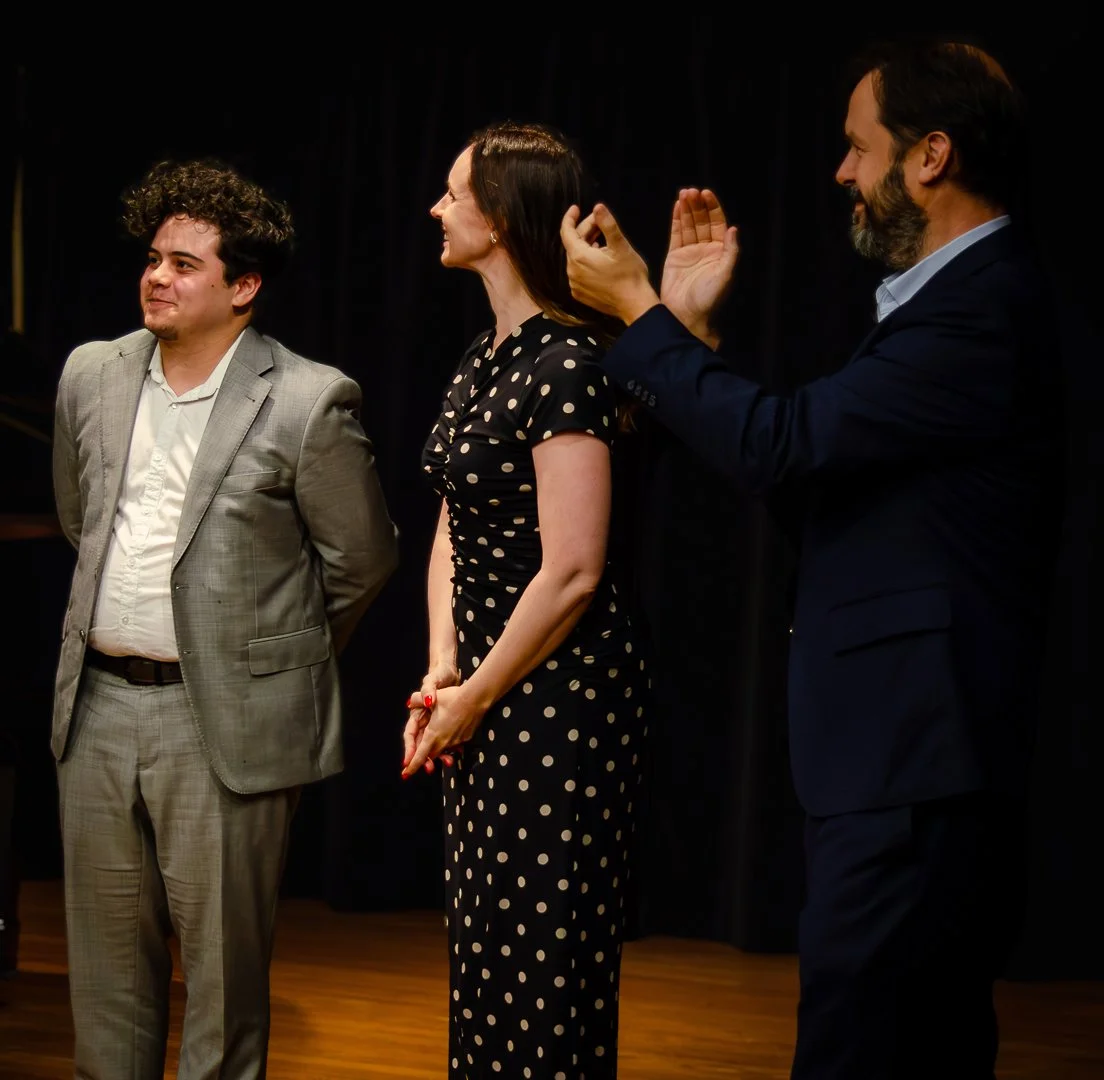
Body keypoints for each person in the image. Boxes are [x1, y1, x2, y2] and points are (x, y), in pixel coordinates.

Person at [559, 39, 1064, 1080]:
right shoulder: (954, 302)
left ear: (930, 156)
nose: (842, 171)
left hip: (918, 761)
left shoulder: (982, 306)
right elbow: (812, 481)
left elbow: (782, 444)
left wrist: (642, 312)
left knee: (865, 1046)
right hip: (907, 757)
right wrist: (688, 334)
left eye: (858, 147)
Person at [50, 157, 399, 1079]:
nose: (156, 277)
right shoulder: (92, 373)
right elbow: (81, 518)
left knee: (222, 983)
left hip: (222, 722)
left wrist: (264, 660)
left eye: (183, 264)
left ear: (243, 287)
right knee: (106, 984)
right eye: (152, 258)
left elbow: (361, 559)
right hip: (97, 708)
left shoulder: (307, 398)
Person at [402, 120, 648, 1078]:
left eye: (454, 194)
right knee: (485, 951)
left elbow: (575, 569)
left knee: (545, 964)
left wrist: (476, 693)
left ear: (501, 218)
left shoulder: (568, 362)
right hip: (484, 689)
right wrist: (442, 668)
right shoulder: (484, 356)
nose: (437, 208)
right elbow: (451, 522)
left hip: (556, 697)